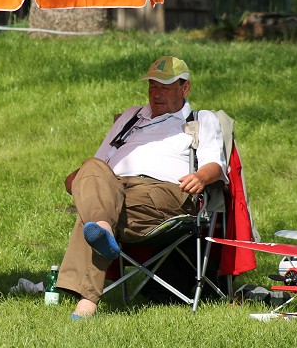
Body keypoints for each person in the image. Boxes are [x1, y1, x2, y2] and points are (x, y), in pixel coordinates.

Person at [56, 56, 227, 319]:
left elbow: (215, 165)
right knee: (91, 167)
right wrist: (81, 179)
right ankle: (100, 231)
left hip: (166, 192)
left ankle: (88, 286)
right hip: (115, 187)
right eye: (152, 87)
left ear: (185, 88)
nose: (156, 94)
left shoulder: (199, 119)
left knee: (95, 211)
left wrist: (202, 178)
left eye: (165, 88)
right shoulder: (130, 117)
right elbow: (99, 163)